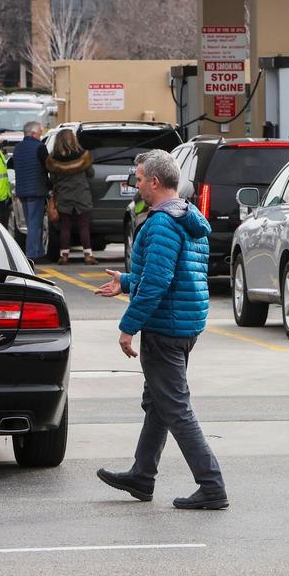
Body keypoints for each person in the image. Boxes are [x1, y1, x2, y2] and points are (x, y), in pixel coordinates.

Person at [94, 149, 227, 511]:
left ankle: (212, 486)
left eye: (138, 179)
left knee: (175, 409)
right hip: (183, 324)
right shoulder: (187, 216)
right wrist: (125, 281)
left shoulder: (161, 224)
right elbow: (173, 274)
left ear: (154, 181)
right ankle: (142, 475)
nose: (135, 185)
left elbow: (156, 282)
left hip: (164, 328)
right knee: (159, 403)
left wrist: (128, 327)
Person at [46, 129, 98, 265]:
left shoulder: (54, 159)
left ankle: (64, 256)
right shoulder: (83, 157)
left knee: (65, 227)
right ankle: (88, 255)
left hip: (64, 196)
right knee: (84, 226)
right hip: (82, 195)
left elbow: (53, 179)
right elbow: (91, 174)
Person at [13, 121, 50, 262]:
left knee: (31, 223)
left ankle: (38, 252)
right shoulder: (40, 147)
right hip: (36, 190)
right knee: (35, 224)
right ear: (34, 133)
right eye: (40, 132)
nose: (41, 135)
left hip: (22, 191)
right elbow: (48, 166)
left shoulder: (18, 148)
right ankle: (32, 254)